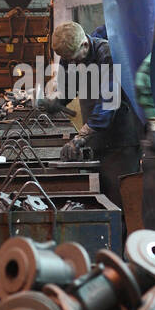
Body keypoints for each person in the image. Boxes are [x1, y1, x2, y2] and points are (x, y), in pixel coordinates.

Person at [40, 21, 141, 209]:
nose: (71, 63)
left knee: (119, 197)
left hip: (121, 138)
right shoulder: (68, 57)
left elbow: (108, 104)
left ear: (84, 44)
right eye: (66, 59)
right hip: (97, 137)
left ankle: (126, 236)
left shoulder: (107, 54)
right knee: (101, 194)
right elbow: (68, 89)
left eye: (73, 58)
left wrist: (80, 138)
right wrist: (56, 101)